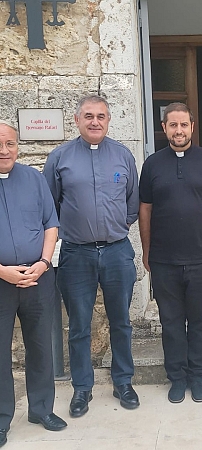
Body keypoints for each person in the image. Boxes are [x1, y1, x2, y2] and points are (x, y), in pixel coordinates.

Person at [43, 95, 140, 417]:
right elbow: (50, 207)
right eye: (88, 116)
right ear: (77, 120)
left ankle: (123, 381)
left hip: (116, 251)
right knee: (80, 326)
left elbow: (132, 202)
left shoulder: (123, 155)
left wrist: (117, 225)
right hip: (76, 254)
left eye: (101, 116)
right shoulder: (60, 158)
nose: (95, 121)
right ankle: (82, 388)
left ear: (108, 120)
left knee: (121, 322)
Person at [139, 102, 202, 403]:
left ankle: (198, 376)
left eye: (184, 124)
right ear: (164, 128)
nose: (178, 130)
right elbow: (145, 209)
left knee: (201, 322)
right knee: (171, 323)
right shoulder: (152, 164)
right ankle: (177, 378)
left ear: (192, 127)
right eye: (172, 125)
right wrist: (147, 251)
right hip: (165, 260)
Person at [0, 121, 67, 448]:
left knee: (41, 348)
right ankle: (1, 419)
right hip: (0, 283)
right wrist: (3, 272)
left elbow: (50, 224)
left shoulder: (34, 178)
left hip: (38, 278)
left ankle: (41, 409)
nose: (4, 150)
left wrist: (42, 263)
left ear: (18, 146)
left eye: (10, 144)